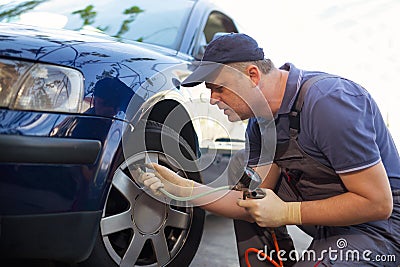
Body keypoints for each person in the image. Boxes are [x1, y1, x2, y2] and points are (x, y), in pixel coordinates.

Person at [139, 33, 400, 266]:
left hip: (379, 230)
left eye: (219, 89)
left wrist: (288, 212)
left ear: (252, 75)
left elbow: (377, 203)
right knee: (247, 190)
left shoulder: (328, 103)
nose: (211, 100)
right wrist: (185, 190)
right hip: (329, 226)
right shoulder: (261, 124)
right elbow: (248, 202)